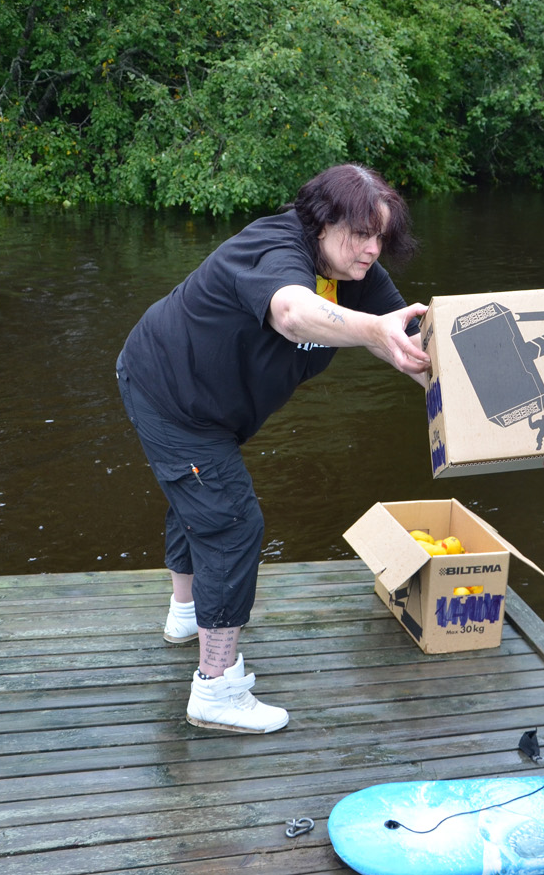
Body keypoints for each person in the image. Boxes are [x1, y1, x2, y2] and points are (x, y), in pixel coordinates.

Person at [116, 164, 428, 734]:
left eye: (381, 236)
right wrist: (369, 330)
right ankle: (216, 689)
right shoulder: (274, 246)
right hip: (171, 395)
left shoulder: (358, 272)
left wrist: (469, 399)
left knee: (201, 500)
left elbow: (405, 342)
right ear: (322, 221)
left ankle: (188, 615)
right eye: (360, 233)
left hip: (215, 407)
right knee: (232, 523)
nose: (371, 249)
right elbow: (291, 312)